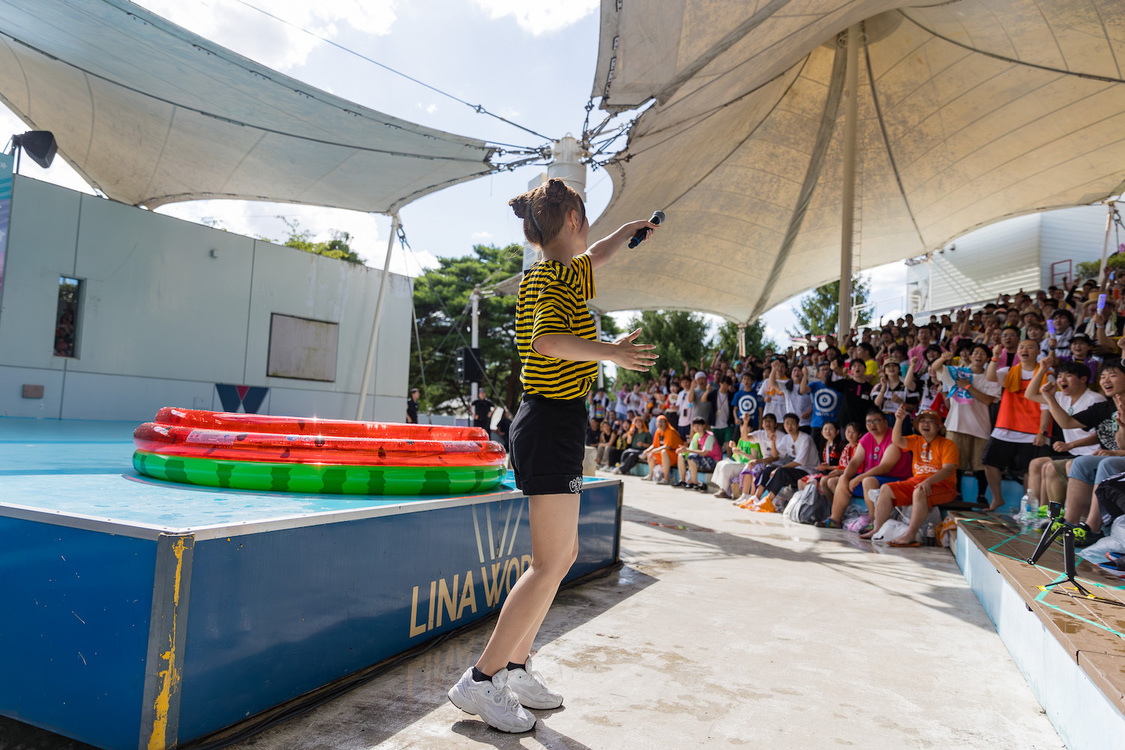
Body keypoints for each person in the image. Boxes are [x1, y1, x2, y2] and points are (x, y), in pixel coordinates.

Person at [447, 178, 659, 733]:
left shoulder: (559, 270)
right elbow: (546, 341)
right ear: (572, 219)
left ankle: (516, 668)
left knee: (561, 558)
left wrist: (627, 231)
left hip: (556, 421)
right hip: (548, 421)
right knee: (548, 564)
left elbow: (597, 254)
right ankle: (482, 678)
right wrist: (610, 352)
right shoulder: (553, 279)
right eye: (587, 217)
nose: (591, 231)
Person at [866, 406, 959, 545]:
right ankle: (877, 529)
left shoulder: (948, 444)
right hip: (916, 482)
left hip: (943, 485)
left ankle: (910, 535)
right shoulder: (916, 440)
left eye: (930, 421)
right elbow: (897, 440)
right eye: (922, 421)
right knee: (885, 489)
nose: (925, 424)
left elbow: (947, 470)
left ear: (939, 426)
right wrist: (899, 420)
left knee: (919, 491)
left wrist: (928, 481)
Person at [981, 340, 1050, 511]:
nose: (1025, 350)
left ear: (1038, 351)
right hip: (1005, 426)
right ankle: (997, 499)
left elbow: (1047, 406)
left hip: (1032, 430)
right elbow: (990, 377)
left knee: (1029, 471)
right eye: (1021, 347)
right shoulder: (1009, 371)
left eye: (1030, 347)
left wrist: (1042, 431)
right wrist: (995, 358)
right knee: (989, 461)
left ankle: (1029, 508)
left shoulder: (1046, 374)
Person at [1023, 358, 1103, 506]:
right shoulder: (1060, 397)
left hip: (1091, 453)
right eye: (1059, 376)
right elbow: (1030, 395)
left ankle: (1052, 513)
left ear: (1083, 379)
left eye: (1068, 376)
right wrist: (1042, 370)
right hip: (1073, 452)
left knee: (1050, 467)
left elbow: (1099, 436)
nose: (1062, 380)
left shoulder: (1095, 399)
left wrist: (1071, 444)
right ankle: (1037, 509)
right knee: (1036, 464)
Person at [818, 409, 912, 529]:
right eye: (869, 422)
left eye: (876, 421)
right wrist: (846, 478)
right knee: (842, 479)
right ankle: (835, 519)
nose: (872, 424)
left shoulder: (894, 438)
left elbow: (885, 467)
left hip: (896, 480)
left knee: (868, 481)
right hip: (874, 478)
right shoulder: (867, 437)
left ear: (885, 422)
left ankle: (874, 524)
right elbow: (855, 461)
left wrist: (859, 478)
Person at [675, 417, 722, 491]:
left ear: (703, 426)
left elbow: (704, 453)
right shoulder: (696, 436)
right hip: (702, 459)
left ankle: (694, 483)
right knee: (681, 456)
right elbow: (691, 450)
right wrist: (683, 450)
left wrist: (687, 450)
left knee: (691, 457)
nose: (696, 427)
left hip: (714, 461)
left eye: (698, 425)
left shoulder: (709, 436)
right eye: (694, 425)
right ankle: (683, 481)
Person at [643, 414, 684, 483]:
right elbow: (654, 445)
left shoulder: (670, 431)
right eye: (658, 422)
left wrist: (653, 451)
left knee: (663, 452)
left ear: (666, 423)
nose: (660, 424)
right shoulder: (658, 431)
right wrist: (647, 450)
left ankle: (666, 478)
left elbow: (667, 447)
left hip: (675, 454)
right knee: (650, 454)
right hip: (666, 455)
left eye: (662, 422)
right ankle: (651, 475)